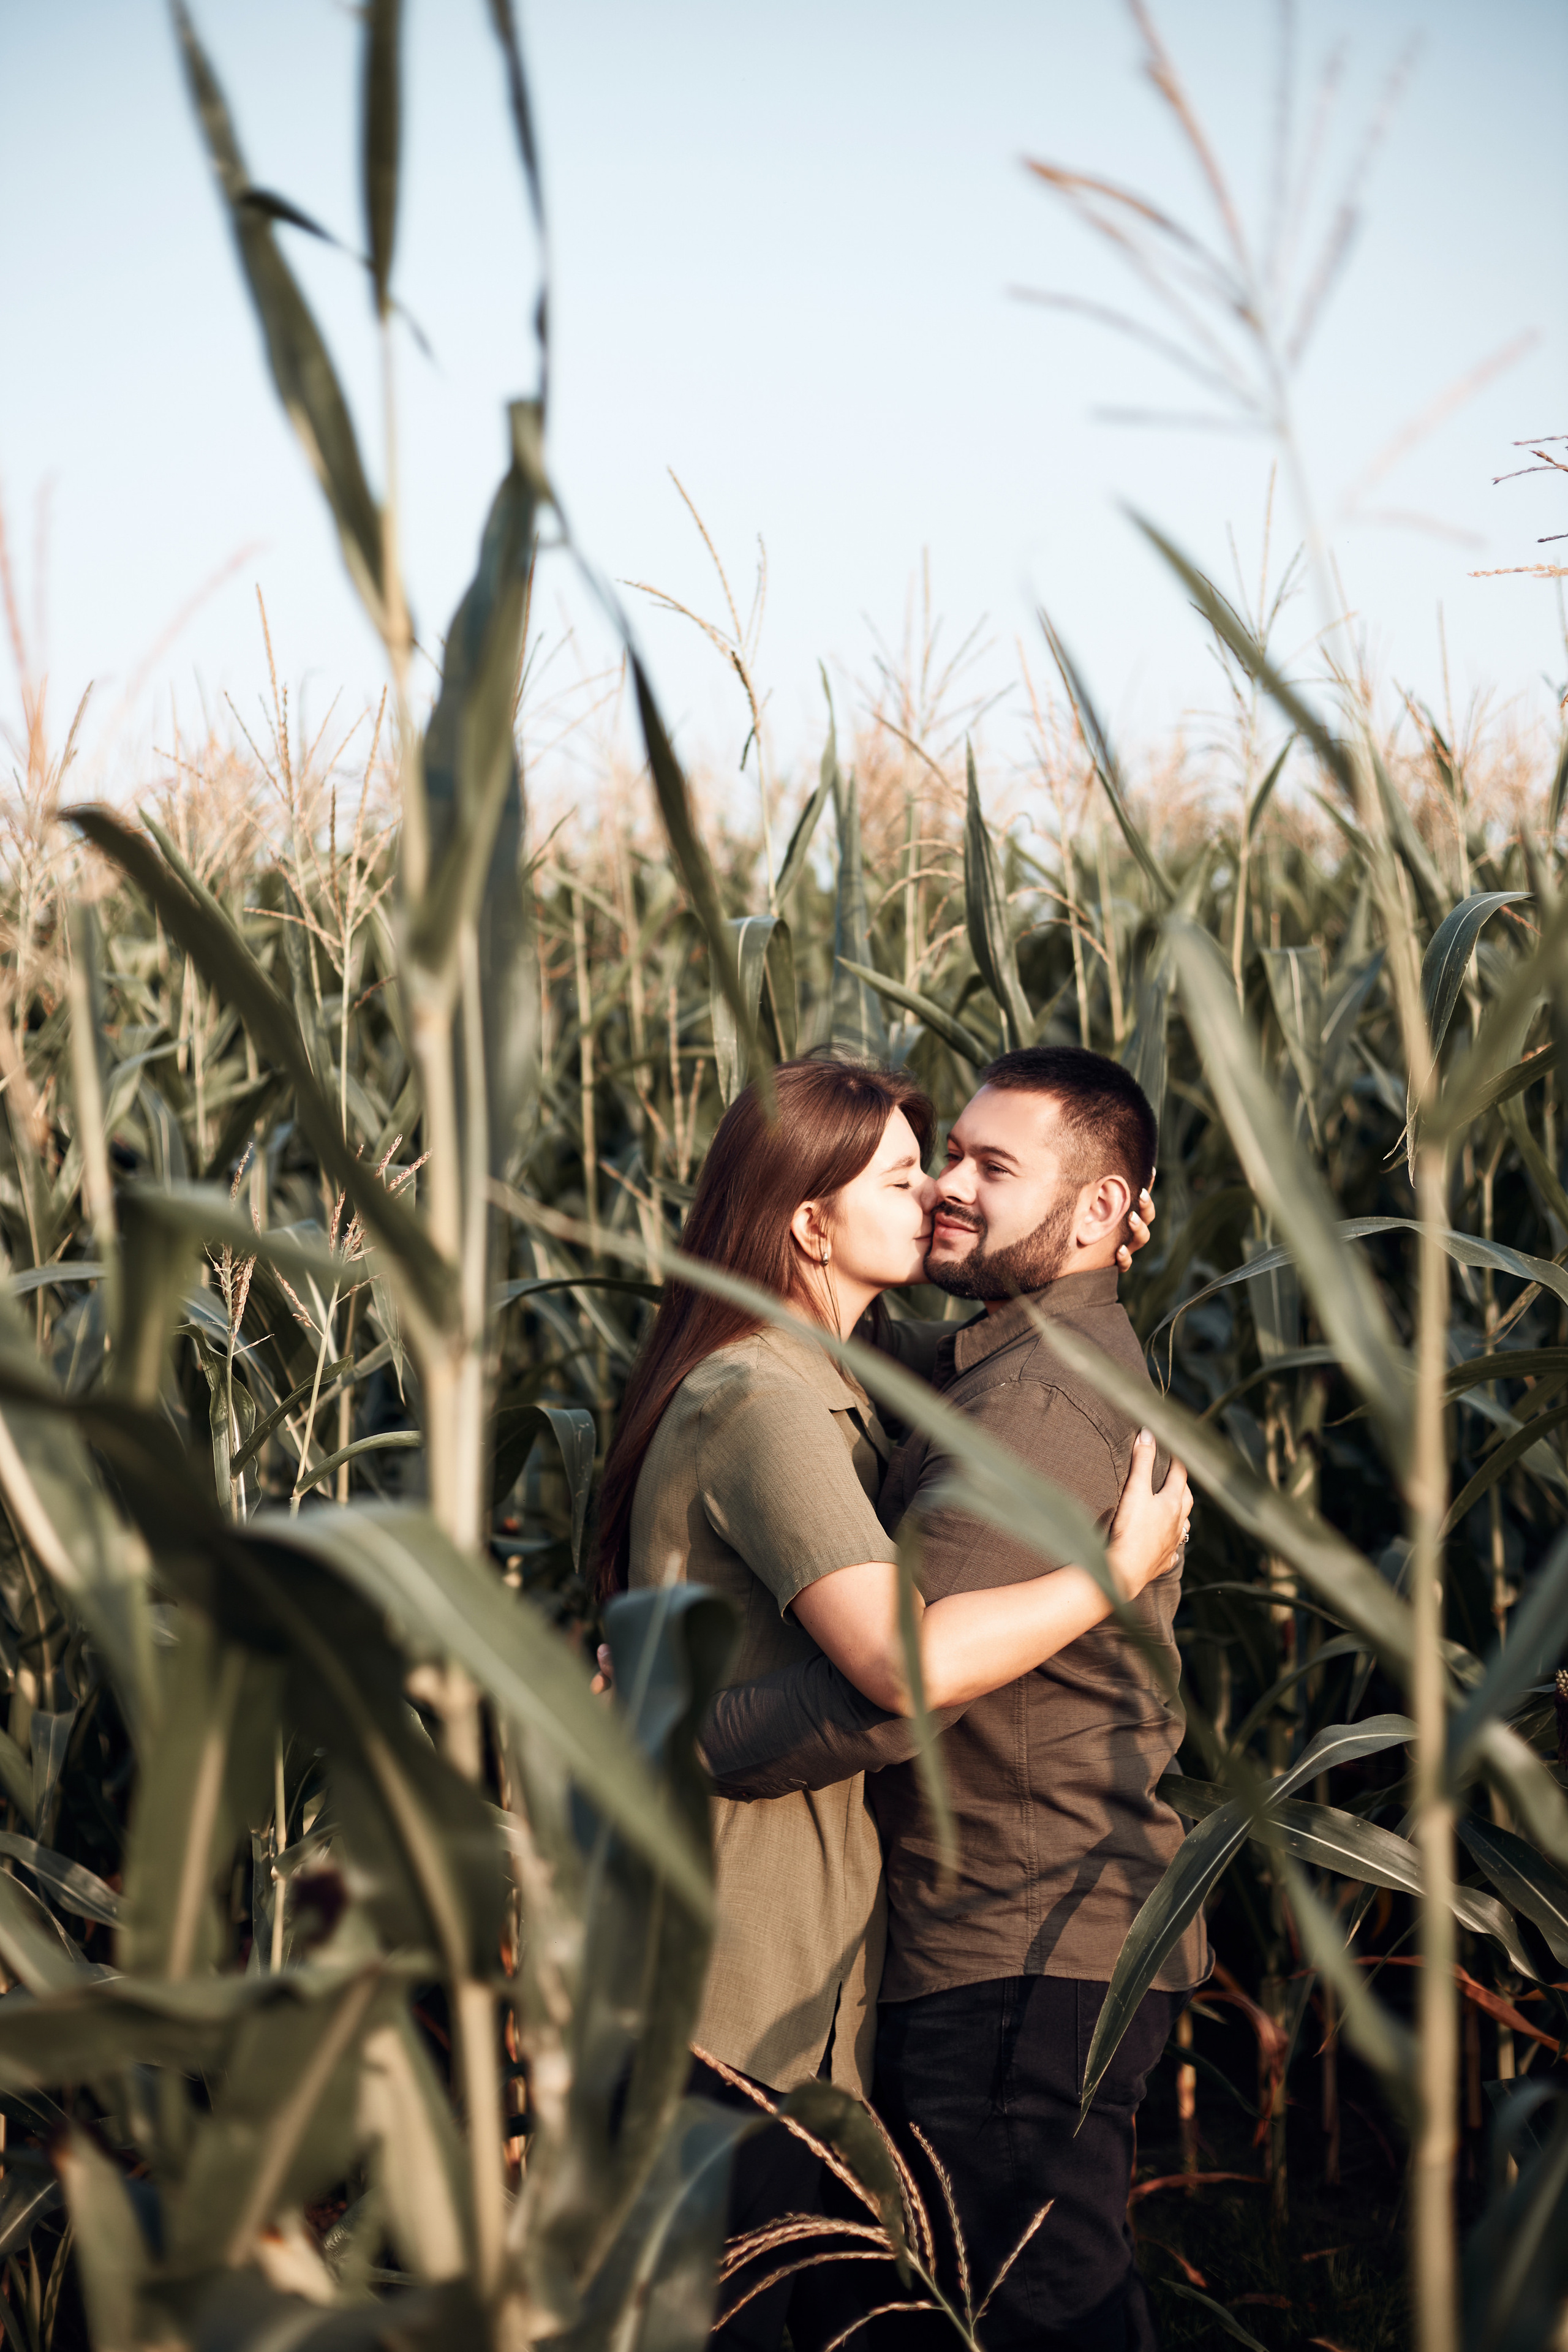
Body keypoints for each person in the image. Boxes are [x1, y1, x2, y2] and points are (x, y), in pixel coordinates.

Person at [592, 1056, 1190, 2351]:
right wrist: (1079, 1227)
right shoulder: (871, 1379)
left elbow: (897, 1682)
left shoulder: (1024, 1397)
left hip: (1014, 1939)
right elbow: (850, 1356)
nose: (945, 1197)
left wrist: (686, 1727)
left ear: (1095, 1212)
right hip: (865, 1954)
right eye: (927, 1167)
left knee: (1030, 2311)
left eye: (980, 1169)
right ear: (813, 1221)